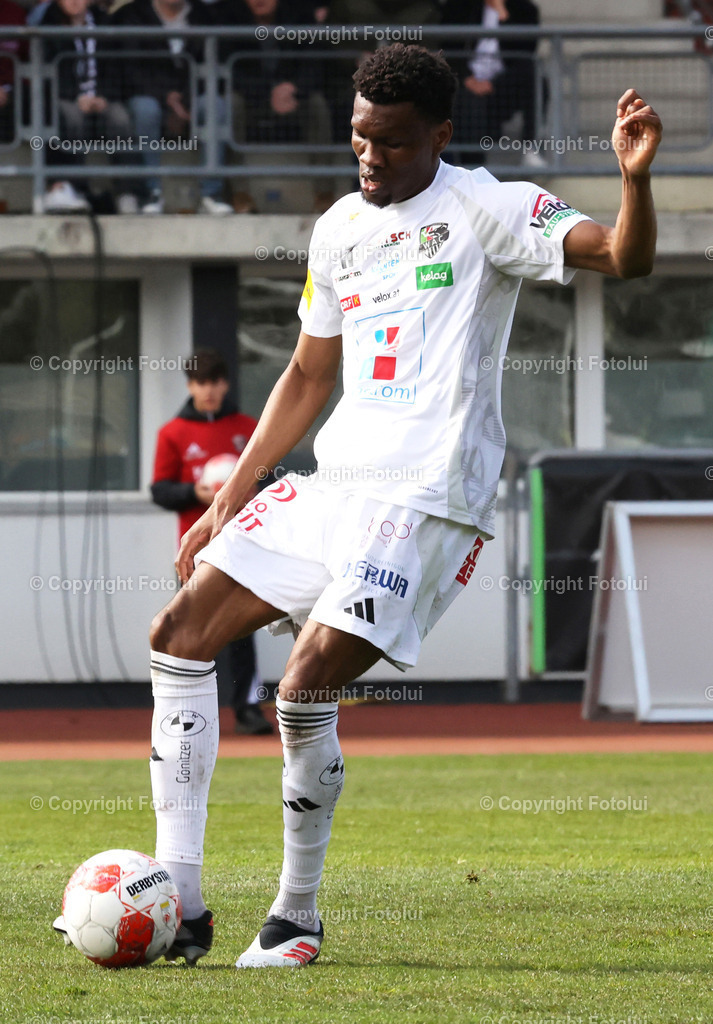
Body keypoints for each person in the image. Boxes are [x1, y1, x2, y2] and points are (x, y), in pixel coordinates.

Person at [143, 44, 661, 967]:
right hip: (332, 485)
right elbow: (307, 372)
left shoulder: (489, 207)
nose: (368, 158)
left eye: (386, 142)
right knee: (178, 633)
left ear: (438, 135)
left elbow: (622, 259)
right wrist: (235, 496)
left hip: (427, 498)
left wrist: (632, 182)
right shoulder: (339, 225)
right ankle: (178, 899)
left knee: (302, 689)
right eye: (356, 139)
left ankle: (295, 916)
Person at [150, 349, 273, 735]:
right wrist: (196, 493)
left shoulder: (248, 426)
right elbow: (160, 489)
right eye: (201, 383)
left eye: (215, 382)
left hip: (241, 545)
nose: (209, 390)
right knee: (188, 629)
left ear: (225, 384)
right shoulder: (172, 433)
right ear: (190, 385)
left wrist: (246, 492)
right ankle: (183, 711)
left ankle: (247, 707)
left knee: (240, 630)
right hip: (196, 551)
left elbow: (269, 481)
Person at [111, 0, 233, 214]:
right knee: (145, 109)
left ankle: (211, 194)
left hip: (191, 97)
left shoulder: (204, 16)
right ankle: (152, 193)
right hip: (150, 95)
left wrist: (185, 100)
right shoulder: (132, 14)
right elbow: (130, 69)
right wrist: (166, 97)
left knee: (215, 104)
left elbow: (213, 66)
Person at [39, 0, 133, 212]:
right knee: (71, 115)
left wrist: (105, 96)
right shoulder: (49, 23)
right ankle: (72, 186)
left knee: (119, 117)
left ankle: (127, 191)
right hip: (66, 98)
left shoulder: (103, 22)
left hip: (100, 98)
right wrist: (76, 96)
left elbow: (116, 66)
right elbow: (49, 71)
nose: (74, 1)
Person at [441, 0, 544, 167]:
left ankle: (531, 147)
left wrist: (502, 12)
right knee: (466, 102)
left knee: (534, 77)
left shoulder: (525, 9)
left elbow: (526, 51)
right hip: (466, 79)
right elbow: (448, 48)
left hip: (501, 81)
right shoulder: (460, 6)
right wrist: (468, 78)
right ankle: (472, 167)